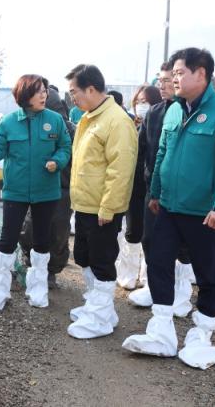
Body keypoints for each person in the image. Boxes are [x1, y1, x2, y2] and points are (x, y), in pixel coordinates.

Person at [123, 48, 215, 370]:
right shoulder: (174, 111)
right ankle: (162, 332)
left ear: (201, 74)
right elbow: (162, 152)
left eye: (180, 73)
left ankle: (202, 335)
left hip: (204, 212)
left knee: (208, 275)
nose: (173, 78)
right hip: (168, 207)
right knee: (160, 263)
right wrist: (156, 193)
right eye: (173, 73)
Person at [0, 75, 72, 310]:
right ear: (25, 94)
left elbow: (65, 147)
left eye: (45, 91)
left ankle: (38, 288)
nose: (45, 95)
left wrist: (57, 161)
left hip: (46, 191)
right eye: (39, 91)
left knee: (42, 240)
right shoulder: (9, 122)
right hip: (16, 192)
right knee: (8, 239)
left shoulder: (55, 120)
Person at [64, 64, 138, 339]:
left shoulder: (116, 120)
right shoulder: (90, 117)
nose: (72, 97)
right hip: (85, 204)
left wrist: (109, 206)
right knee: (84, 256)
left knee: (102, 260)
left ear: (91, 89)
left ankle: (100, 318)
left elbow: (120, 169)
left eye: (74, 92)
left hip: (102, 208)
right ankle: (99, 308)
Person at [128, 63, 195, 316]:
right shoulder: (155, 113)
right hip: (153, 188)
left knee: (183, 244)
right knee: (149, 238)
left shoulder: (191, 111)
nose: (164, 85)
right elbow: (142, 150)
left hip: (184, 192)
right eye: (161, 81)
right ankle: (155, 286)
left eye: (168, 80)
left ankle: (182, 289)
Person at [20, 86, 75, 287]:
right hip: (35, 187)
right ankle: (31, 263)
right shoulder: (28, 123)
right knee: (30, 228)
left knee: (58, 230)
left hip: (62, 188)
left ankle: (51, 271)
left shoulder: (69, 128)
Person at [113, 85, 161, 291]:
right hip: (132, 185)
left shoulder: (159, 122)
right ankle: (128, 275)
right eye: (138, 102)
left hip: (152, 185)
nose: (141, 106)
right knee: (132, 231)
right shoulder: (128, 124)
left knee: (152, 235)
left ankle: (149, 278)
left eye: (146, 102)